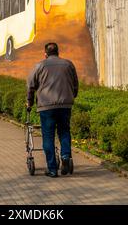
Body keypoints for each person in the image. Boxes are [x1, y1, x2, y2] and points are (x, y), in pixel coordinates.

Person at [27, 42, 79, 178]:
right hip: (65, 105)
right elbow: (75, 84)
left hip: (46, 107)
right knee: (64, 132)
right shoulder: (68, 64)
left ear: (45, 54)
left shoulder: (39, 66)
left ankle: (52, 169)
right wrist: (71, 96)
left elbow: (31, 86)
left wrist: (29, 102)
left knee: (48, 137)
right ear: (58, 52)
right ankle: (66, 156)